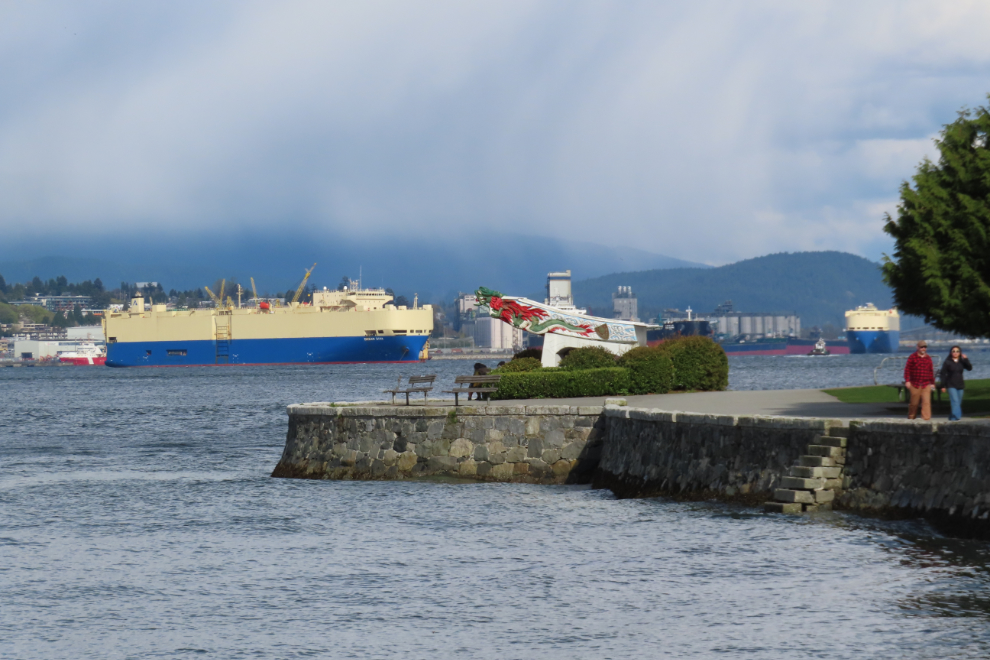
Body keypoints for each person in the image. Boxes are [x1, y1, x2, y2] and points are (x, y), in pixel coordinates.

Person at [939, 345, 973, 421]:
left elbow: (969, 368)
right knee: (955, 401)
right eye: (953, 351)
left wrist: (966, 359)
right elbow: (943, 374)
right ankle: (958, 417)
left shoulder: (962, 361)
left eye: (957, 351)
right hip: (951, 384)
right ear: (951, 353)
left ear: (960, 352)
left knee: (958, 403)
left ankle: (952, 418)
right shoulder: (947, 362)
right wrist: (943, 385)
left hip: (960, 384)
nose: (955, 353)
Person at [904, 341, 935, 420]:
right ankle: (911, 418)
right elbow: (907, 369)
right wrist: (907, 380)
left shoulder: (928, 358)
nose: (923, 348)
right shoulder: (912, 357)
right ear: (917, 347)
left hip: (926, 384)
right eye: (921, 347)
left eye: (924, 347)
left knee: (926, 403)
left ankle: (926, 419)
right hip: (915, 384)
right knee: (914, 403)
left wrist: (932, 383)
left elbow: (931, 371)